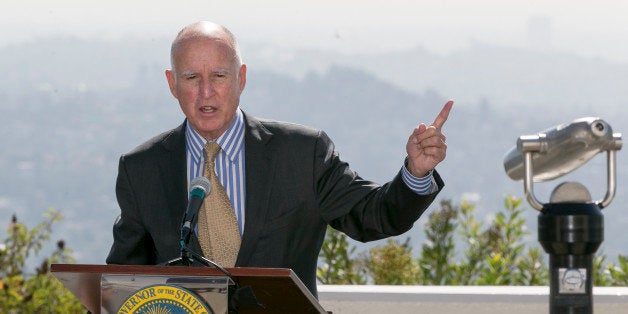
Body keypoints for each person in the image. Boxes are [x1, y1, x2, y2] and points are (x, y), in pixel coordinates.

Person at [106, 21, 453, 297]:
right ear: (172, 83)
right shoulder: (142, 169)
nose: (206, 92)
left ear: (241, 77)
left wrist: (415, 172)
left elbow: (375, 217)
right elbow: (122, 283)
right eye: (192, 78)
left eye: (219, 76)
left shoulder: (302, 153)